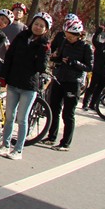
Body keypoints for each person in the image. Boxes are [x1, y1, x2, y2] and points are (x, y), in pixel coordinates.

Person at [0, 11, 52, 160]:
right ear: (31, 24)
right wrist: (4, 76)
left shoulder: (44, 45)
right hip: (14, 82)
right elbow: (9, 57)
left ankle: (18, 150)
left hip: (29, 86)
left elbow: (41, 67)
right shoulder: (21, 37)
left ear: (46, 29)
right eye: (36, 24)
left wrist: (42, 50)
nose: (38, 27)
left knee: (22, 118)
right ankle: (5, 145)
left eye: (42, 26)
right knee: (9, 116)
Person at [41, 17, 92, 151]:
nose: (68, 38)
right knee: (54, 109)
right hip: (60, 78)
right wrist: (54, 59)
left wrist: (74, 63)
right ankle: (51, 137)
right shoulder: (64, 42)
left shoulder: (86, 47)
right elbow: (59, 57)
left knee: (68, 113)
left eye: (71, 37)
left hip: (74, 82)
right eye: (67, 36)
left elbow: (89, 66)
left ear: (78, 35)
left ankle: (65, 143)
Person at [84, 27, 105, 110]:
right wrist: (98, 32)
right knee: (91, 88)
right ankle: (85, 103)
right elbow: (94, 40)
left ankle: (92, 105)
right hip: (97, 71)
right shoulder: (101, 46)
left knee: (99, 91)